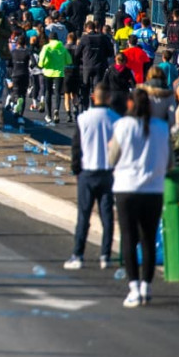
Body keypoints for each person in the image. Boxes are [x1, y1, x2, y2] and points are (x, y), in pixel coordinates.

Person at [109, 88, 172, 308]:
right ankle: (146, 285)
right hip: (153, 190)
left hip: (126, 188)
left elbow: (112, 158)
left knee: (129, 238)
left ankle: (134, 287)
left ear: (130, 104)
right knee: (149, 239)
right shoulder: (162, 128)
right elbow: (169, 163)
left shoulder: (123, 126)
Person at [64, 83, 119, 271]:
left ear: (93, 97)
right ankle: (105, 255)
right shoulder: (116, 120)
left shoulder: (83, 118)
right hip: (108, 173)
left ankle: (78, 254)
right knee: (107, 216)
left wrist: (76, 170)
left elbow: (76, 147)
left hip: (87, 171)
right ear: (109, 98)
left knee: (84, 215)